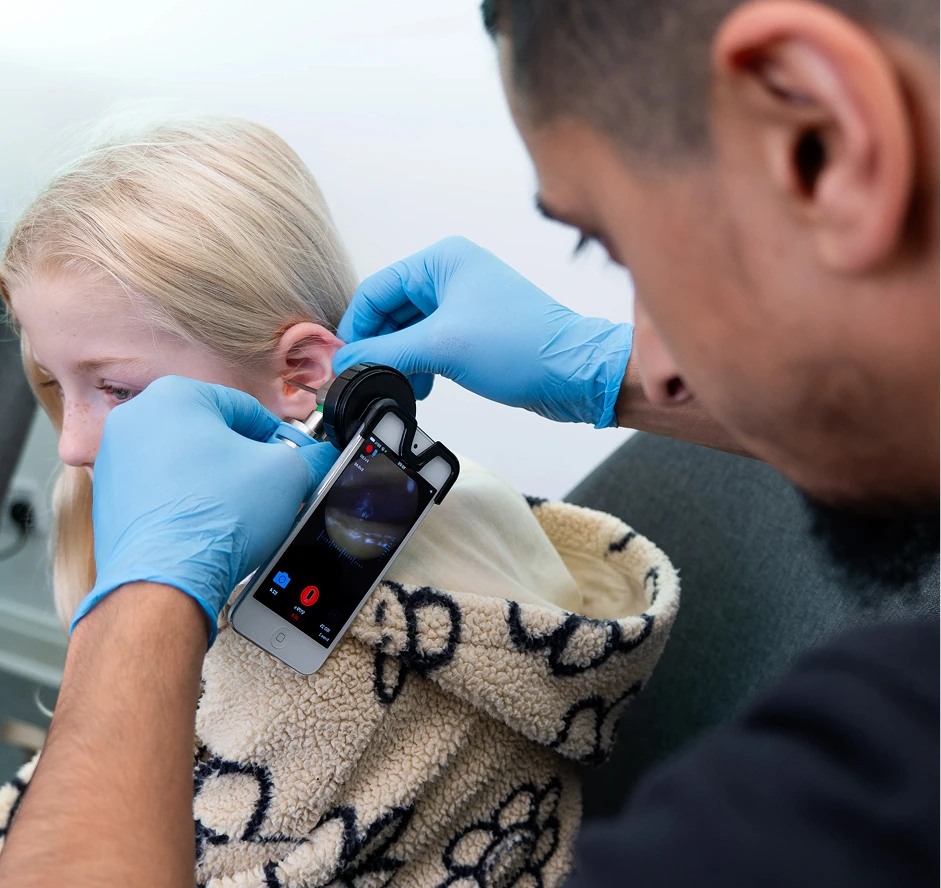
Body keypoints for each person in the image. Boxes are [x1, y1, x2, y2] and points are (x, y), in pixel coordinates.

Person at [0, 0, 936, 884]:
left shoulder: (850, 790)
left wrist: (144, 595)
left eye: (611, 248)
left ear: (827, 141)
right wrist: (606, 373)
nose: (659, 361)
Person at [0, 116, 679, 887]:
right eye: (58, 383)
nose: (73, 444)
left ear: (297, 376)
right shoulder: (351, 525)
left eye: (118, 390)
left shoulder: (359, 658)